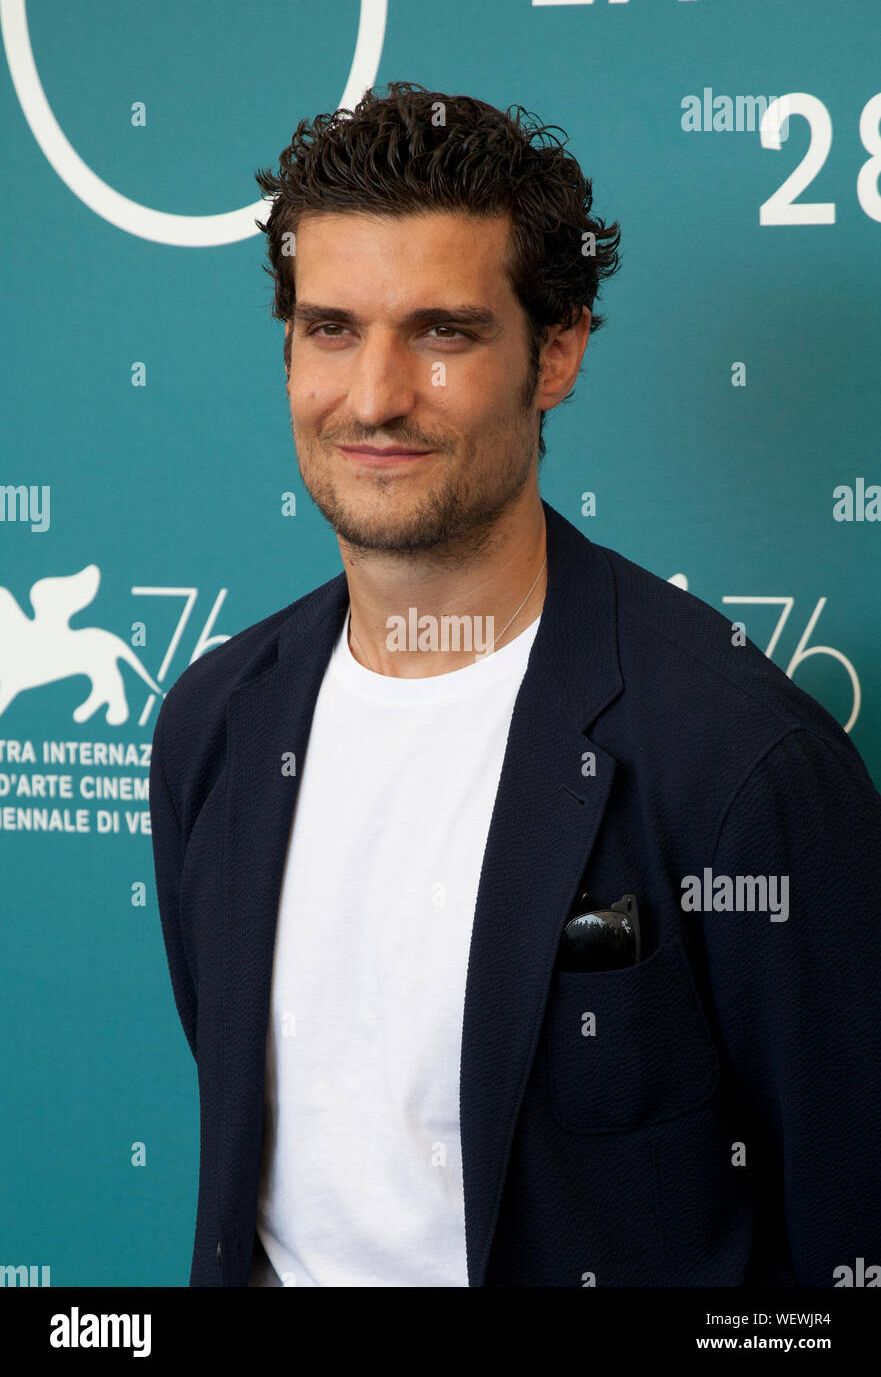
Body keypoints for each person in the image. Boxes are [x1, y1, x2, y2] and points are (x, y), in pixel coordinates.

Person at [149, 82, 881, 1288]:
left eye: (440, 332)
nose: (374, 396)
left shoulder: (740, 763)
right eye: (331, 327)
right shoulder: (215, 726)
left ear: (557, 350)